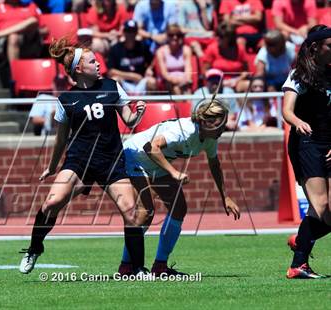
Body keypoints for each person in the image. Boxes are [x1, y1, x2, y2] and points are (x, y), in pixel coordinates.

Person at [19, 38, 149, 275]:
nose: (98, 63)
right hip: (79, 160)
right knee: (51, 203)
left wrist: (138, 114)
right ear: (78, 69)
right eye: (93, 60)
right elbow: (60, 139)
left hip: (110, 159)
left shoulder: (112, 86)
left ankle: (138, 268)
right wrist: (52, 166)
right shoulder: (66, 100)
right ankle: (34, 248)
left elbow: (129, 120)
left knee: (131, 212)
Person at [118, 97, 241, 276]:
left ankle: (160, 266)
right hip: (135, 156)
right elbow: (151, 148)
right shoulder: (185, 131)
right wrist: (174, 173)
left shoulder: (209, 137)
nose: (223, 129)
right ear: (206, 122)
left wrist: (225, 197)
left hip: (156, 162)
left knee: (179, 208)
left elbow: (214, 164)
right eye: (220, 124)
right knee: (146, 212)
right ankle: (127, 266)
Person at [282, 25, 331, 279]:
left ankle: (303, 238)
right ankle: (297, 265)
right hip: (307, 144)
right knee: (321, 207)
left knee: (329, 213)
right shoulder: (299, 75)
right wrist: (297, 122)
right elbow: (287, 110)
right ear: (315, 48)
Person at [107, 19, 156, 95]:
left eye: (133, 31)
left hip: (140, 83)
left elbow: (153, 60)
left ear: (136, 33)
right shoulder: (116, 48)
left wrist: (149, 69)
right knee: (115, 80)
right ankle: (119, 106)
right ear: (124, 32)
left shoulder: (143, 46)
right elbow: (111, 71)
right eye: (128, 31)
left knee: (152, 82)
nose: (130, 34)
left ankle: (151, 106)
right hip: (124, 83)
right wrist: (132, 76)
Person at [202, 22, 250, 89]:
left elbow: (246, 71)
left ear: (230, 38)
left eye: (221, 37)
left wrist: (236, 80)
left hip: (236, 82)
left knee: (248, 85)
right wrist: (220, 82)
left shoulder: (239, 49)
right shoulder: (212, 49)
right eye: (217, 35)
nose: (217, 38)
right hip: (216, 83)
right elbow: (205, 72)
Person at [154, 24, 193, 95]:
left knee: (186, 90)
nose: (175, 37)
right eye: (171, 35)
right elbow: (164, 74)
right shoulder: (160, 51)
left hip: (183, 81)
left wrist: (185, 80)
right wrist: (176, 81)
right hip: (167, 82)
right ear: (167, 36)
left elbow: (188, 70)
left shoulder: (186, 50)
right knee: (176, 89)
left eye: (178, 35)